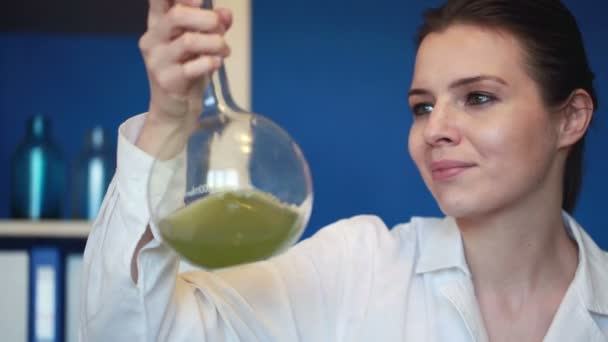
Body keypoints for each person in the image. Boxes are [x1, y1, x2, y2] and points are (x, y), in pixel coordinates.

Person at [80, 0, 608, 340]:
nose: (435, 129)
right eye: (422, 106)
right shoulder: (359, 267)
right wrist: (169, 119)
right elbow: (131, 332)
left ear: (571, 119)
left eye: (478, 97)